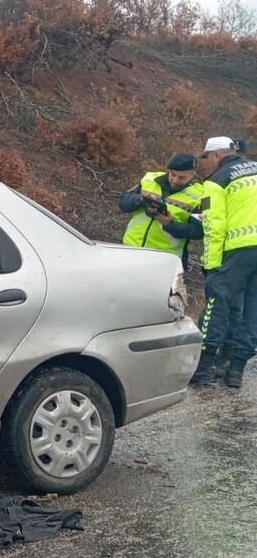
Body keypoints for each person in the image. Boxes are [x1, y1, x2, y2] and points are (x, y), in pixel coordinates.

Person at [193, 136, 257, 387]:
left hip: (237, 250)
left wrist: (211, 265)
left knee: (216, 304)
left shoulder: (216, 181)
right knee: (253, 311)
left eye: (205, 158)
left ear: (217, 155)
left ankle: (205, 368)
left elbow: (213, 226)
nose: (204, 163)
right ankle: (236, 371)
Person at [117, 153, 205, 271]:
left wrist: (170, 224)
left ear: (193, 174)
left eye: (181, 177)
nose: (175, 180)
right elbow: (123, 203)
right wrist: (141, 200)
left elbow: (199, 231)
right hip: (131, 249)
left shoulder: (202, 195)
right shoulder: (149, 179)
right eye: (172, 174)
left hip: (165, 259)